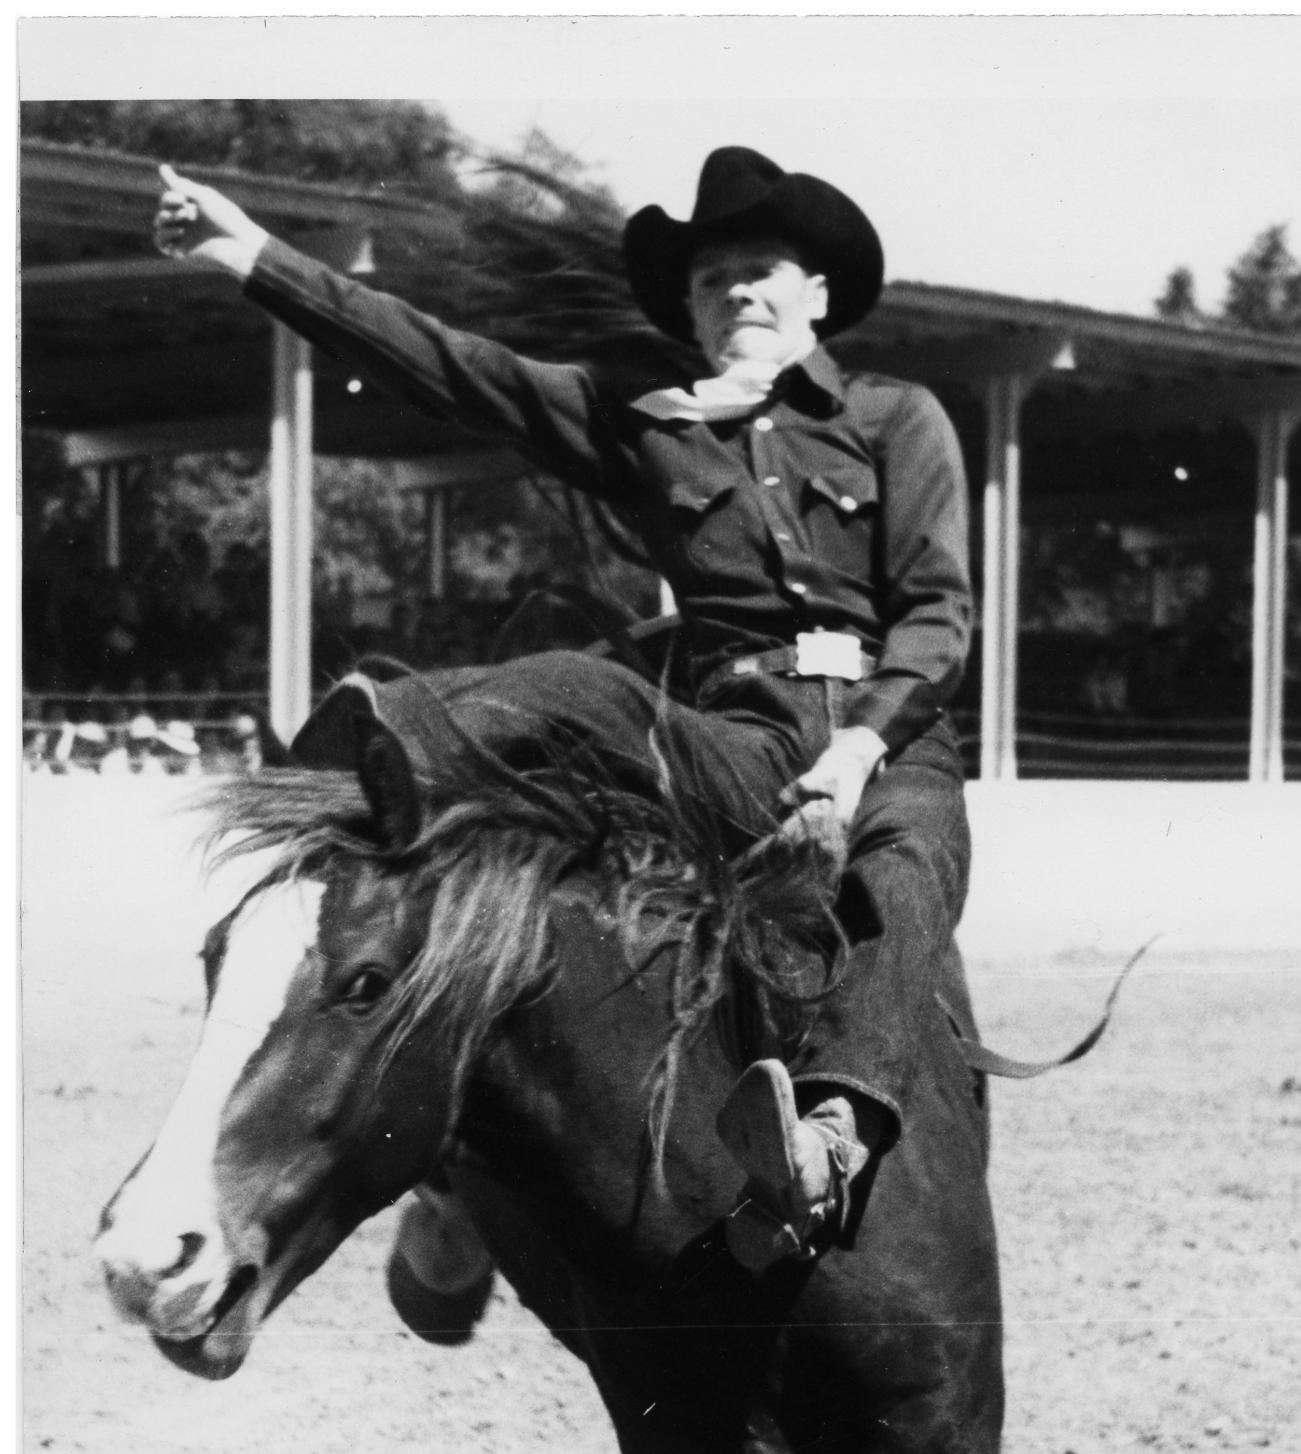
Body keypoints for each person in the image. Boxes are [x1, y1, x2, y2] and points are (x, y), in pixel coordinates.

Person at [154, 147, 974, 1277]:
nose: (739, 289)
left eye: (763, 268)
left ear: (817, 293)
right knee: (574, 693)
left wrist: (855, 755)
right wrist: (251, 256)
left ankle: (828, 1147)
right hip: (724, 734)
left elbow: (938, 612)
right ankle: (451, 1179)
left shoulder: (899, 417)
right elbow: (450, 366)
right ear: (688, 307)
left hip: (888, 743)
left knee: (901, 878)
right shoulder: (643, 420)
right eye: (712, 276)